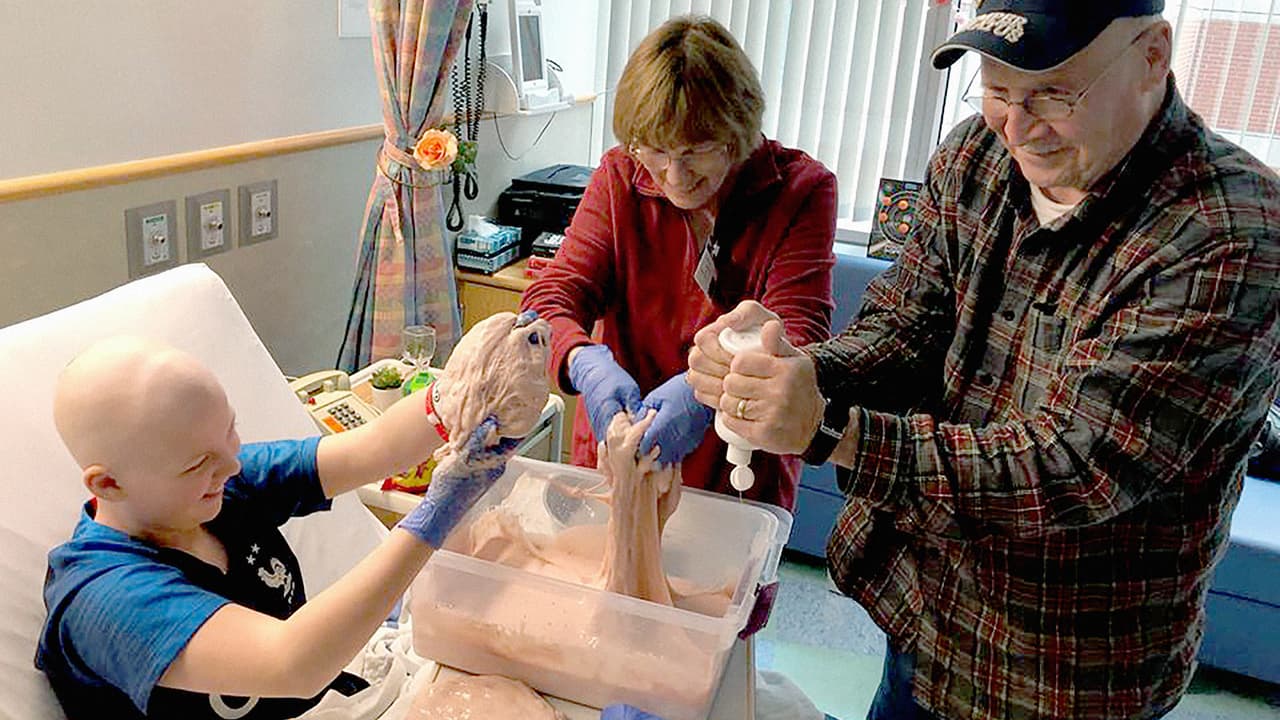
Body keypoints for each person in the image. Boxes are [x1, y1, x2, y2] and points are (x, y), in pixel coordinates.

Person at [688, 2, 1280, 719]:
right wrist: (804, 369)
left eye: (1054, 94)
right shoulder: (976, 157)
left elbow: (1072, 465)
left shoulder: (1229, 237)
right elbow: (907, 325)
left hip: (1061, 672)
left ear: (1153, 55)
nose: (1019, 126)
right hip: (927, 612)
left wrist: (828, 430)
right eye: (997, 91)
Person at [35, 323, 541, 720]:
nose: (232, 465)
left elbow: (373, 449)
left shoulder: (216, 485)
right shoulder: (104, 596)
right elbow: (293, 664)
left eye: (229, 433)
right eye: (197, 463)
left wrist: (461, 394)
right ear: (108, 485)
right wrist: (435, 516)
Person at [520, 14, 837, 512]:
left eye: (696, 151)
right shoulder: (621, 175)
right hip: (618, 449)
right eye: (656, 150)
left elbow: (799, 332)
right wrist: (582, 360)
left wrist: (702, 393)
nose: (675, 174)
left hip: (738, 469)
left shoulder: (801, 192)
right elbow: (554, 295)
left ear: (737, 133)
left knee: (718, 584)